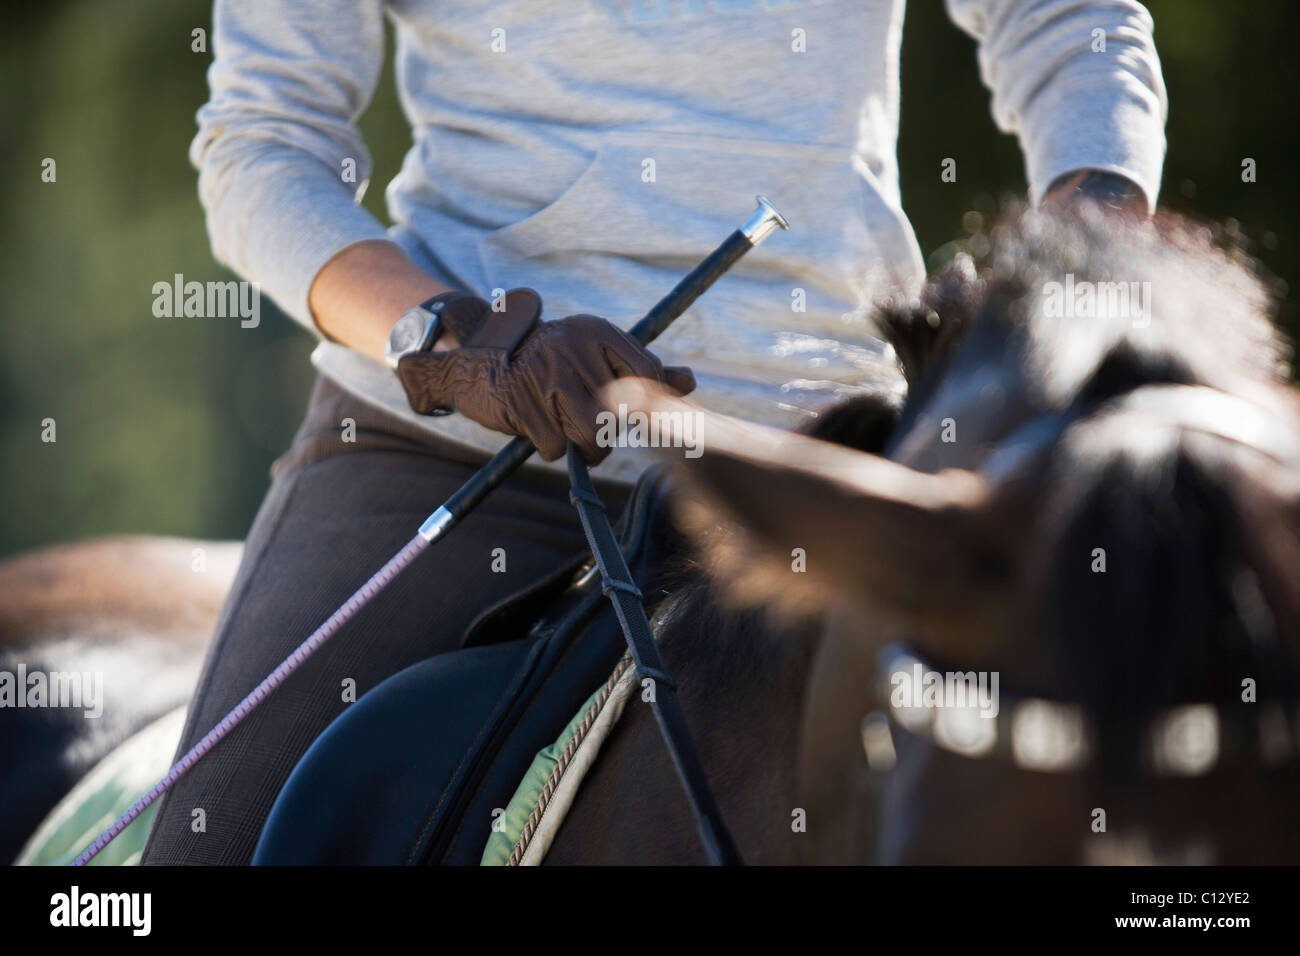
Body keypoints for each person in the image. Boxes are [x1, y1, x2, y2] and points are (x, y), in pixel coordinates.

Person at [141, 0, 1167, 864]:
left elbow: (1069, 17)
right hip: (452, 442)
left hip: (824, 458)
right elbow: (263, 149)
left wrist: (1074, 275)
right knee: (210, 839)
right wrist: (448, 342)